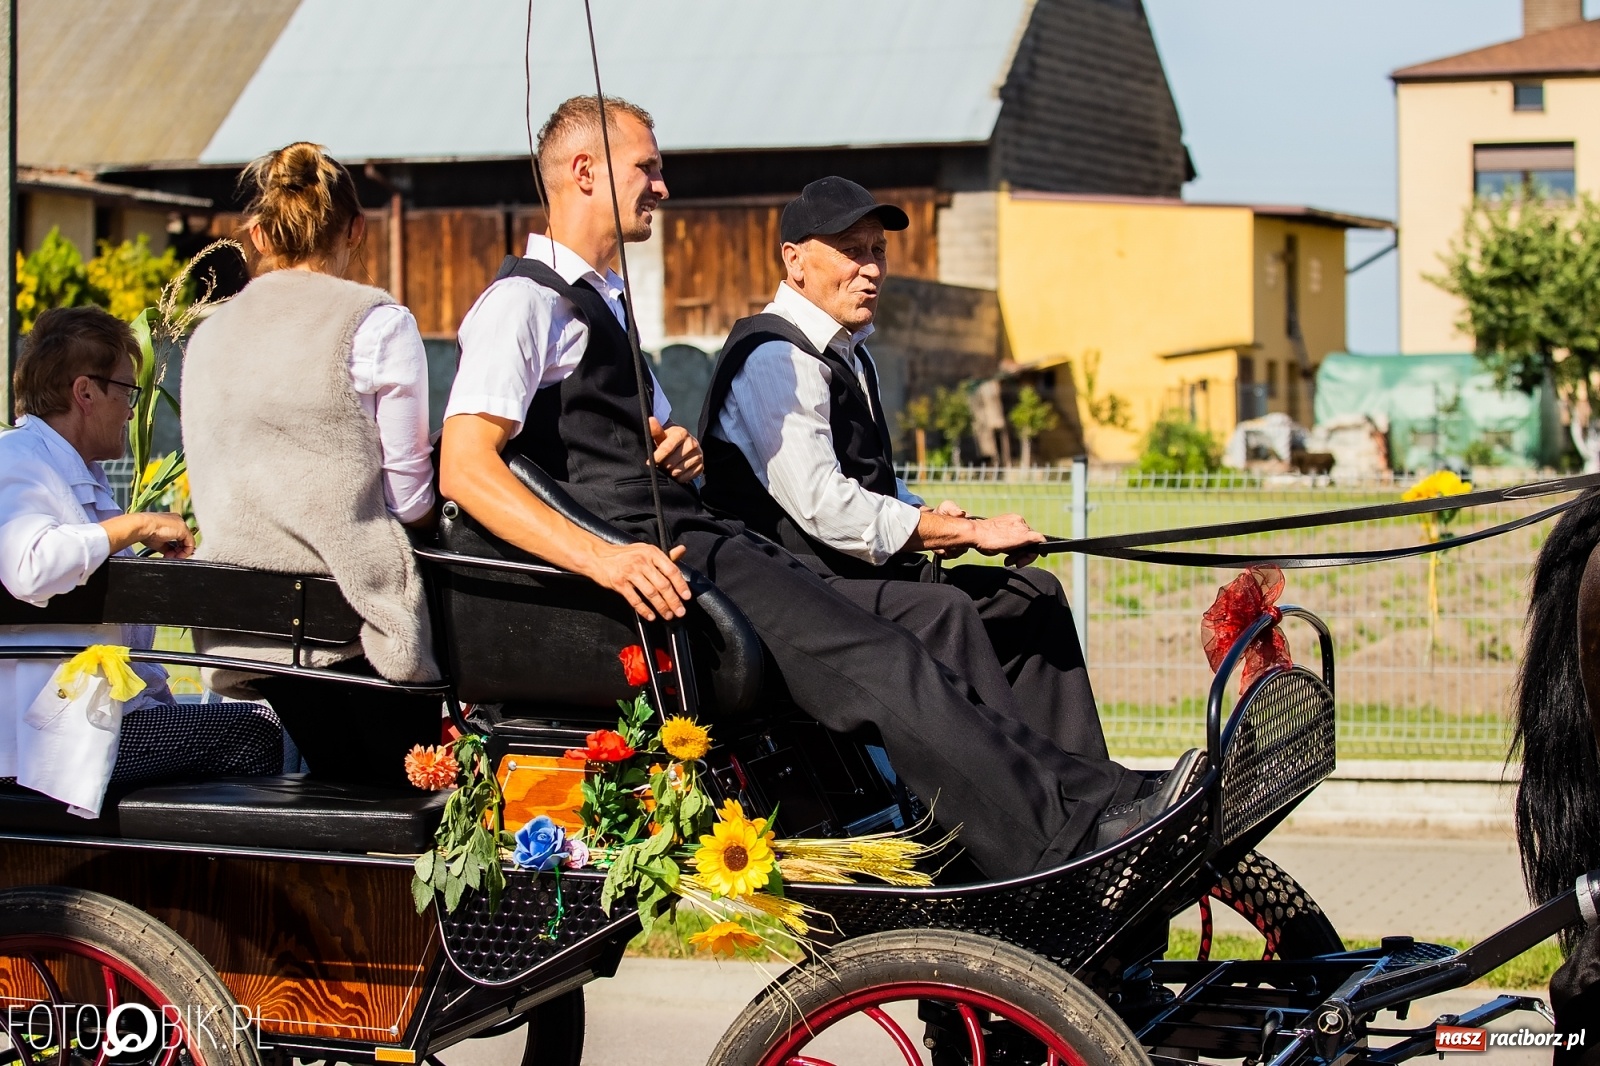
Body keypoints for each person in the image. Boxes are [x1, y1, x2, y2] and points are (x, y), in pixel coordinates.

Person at [439, 95, 1199, 878]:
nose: (663, 188)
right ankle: (1056, 849)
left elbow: (614, 444)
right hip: (663, 567)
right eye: (649, 168)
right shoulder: (522, 303)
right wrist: (604, 559)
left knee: (915, 639)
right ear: (584, 171)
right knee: (888, 662)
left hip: (697, 539)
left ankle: (1090, 799)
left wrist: (675, 450)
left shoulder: (606, 304)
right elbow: (465, 467)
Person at [698, 176, 1107, 759]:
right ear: (795, 261)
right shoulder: (776, 359)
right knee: (948, 613)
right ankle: (1029, 804)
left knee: (1030, 593)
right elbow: (827, 507)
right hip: (800, 588)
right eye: (850, 250)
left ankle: (1085, 784)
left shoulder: (850, 354)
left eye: (878, 250)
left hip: (850, 574)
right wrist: (963, 533)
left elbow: (870, 481)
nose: (870, 269)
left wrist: (927, 515)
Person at [182, 142, 442, 790]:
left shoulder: (205, 336)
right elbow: (410, 500)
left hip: (247, 626)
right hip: (355, 620)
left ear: (260, 234)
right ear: (356, 229)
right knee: (407, 784)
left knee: (343, 775)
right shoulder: (376, 324)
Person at [0, 306, 283, 815]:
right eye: (128, 392)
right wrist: (135, 525)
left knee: (249, 718)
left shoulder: (74, 473)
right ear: (84, 393)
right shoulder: (18, 459)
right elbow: (29, 566)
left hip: (81, 723)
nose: (133, 409)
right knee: (254, 731)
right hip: (43, 742)